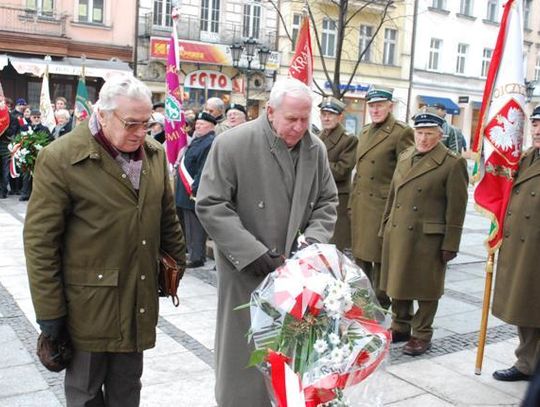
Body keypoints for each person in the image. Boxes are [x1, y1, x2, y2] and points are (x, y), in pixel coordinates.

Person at [23, 75, 186, 406]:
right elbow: (40, 243)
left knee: (128, 391)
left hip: (137, 296)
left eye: (146, 123)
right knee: (85, 394)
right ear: (102, 114)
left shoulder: (153, 155)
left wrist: (175, 266)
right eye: (131, 124)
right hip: (87, 307)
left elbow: (167, 218)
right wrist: (50, 314)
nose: (141, 133)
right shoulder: (62, 157)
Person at [195, 78, 338, 407]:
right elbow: (211, 204)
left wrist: (310, 246)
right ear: (270, 112)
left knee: (294, 358)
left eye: (305, 118)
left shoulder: (316, 149)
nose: (300, 127)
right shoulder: (232, 144)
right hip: (247, 273)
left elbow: (327, 201)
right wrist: (252, 253)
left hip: (298, 276)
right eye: (292, 119)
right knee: (243, 357)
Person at [379, 108, 468, 356]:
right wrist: (385, 225)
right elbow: (394, 195)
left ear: (440, 135)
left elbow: (457, 207)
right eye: (419, 133)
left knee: (427, 289)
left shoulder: (452, 163)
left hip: (428, 237)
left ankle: (422, 334)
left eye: (429, 133)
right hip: (398, 231)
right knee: (397, 282)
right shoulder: (406, 155)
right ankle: (400, 325)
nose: (423, 139)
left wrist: (451, 242)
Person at [349, 88, 414, 310]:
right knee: (361, 260)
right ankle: (362, 304)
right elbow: (359, 172)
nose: (375, 110)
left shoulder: (400, 132)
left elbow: (406, 173)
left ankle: (380, 306)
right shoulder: (365, 132)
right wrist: (351, 204)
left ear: (390, 106)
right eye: (372, 106)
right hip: (361, 205)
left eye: (380, 105)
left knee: (381, 262)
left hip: (382, 206)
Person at [491, 105, 540, 382]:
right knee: (526, 307)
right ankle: (526, 363)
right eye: (534, 124)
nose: (537, 130)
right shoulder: (527, 157)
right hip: (524, 247)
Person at [175, 112, 216, 268]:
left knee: (195, 227)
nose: (197, 126)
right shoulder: (199, 140)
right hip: (185, 191)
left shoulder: (209, 142)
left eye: (202, 124)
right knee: (188, 226)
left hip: (193, 191)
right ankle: (192, 253)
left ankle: (196, 257)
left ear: (211, 126)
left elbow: (203, 168)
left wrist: (195, 189)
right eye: (197, 124)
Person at [318, 96, 358, 251]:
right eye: (324, 114)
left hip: (338, 199)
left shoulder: (348, 139)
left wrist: (317, 164)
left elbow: (342, 170)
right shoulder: (319, 136)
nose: (326, 118)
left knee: (335, 247)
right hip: (319, 196)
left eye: (331, 114)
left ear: (340, 117)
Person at [19, 110, 53, 201]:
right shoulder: (25, 128)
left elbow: (50, 140)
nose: (36, 119)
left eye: (38, 117)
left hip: (39, 155)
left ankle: (37, 195)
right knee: (26, 175)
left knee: (38, 176)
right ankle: (25, 193)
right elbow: (20, 140)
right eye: (34, 117)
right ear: (30, 118)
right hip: (27, 155)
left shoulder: (44, 129)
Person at [0, 97, 20, 198]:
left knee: (5, 169)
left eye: (6, 105)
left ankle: (3, 192)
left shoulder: (13, 118)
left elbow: (13, 133)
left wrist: (4, 126)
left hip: (6, 145)